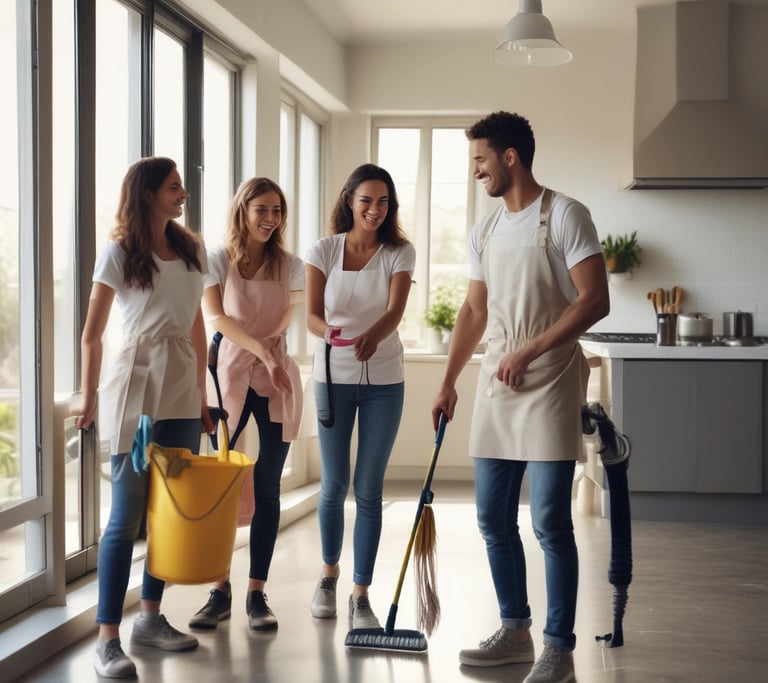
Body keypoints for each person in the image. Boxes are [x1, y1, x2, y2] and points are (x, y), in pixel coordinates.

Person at [431, 112, 610, 683]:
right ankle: (514, 631)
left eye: (481, 159)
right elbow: (474, 312)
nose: (476, 169)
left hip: (551, 377)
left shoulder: (565, 215)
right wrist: (449, 380)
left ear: (510, 157)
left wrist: (529, 350)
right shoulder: (485, 229)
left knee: (552, 521)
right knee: (491, 518)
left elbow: (594, 300)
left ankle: (558, 647)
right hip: (497, 377)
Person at [71, 156, 215, 679]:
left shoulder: (190, 249)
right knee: (126, 512)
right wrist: (88, 396)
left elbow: (197, 326)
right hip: (133, 387)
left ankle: (150, 618)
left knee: (169, 508)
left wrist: (201, 394)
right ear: (149, 193)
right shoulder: (119, 253)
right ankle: (107, 636)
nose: (182, 195)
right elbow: (91, 334)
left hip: (179, 386)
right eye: (174, 187)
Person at [188, 177, 304, 632]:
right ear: (242, 210)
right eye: (262, 209)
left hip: (277, 379)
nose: (270, 219)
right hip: (229, 377)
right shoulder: (216, 259)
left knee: (269, 486)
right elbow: (215, 317)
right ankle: (219, 591)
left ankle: (257, 593)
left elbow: (292, 313)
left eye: (277, 211)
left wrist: (271, 355)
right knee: (220, 485)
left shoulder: (291, 265)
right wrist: (261, 352)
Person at [305, 163, 415, 630]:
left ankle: (361, 593)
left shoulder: (399, 252)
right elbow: (310, 315)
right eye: (366, 200)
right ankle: (328, 577)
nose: (374, 209)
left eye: (383, 201)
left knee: (369, 489)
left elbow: (395, 311)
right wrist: (331, 335)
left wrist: (372, 334)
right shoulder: (324, 250)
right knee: (334, 484)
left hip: (384, 382)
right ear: (349, 200)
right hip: (332, 377)